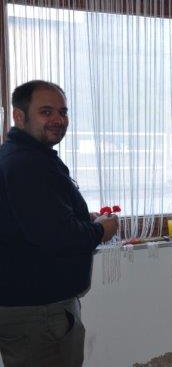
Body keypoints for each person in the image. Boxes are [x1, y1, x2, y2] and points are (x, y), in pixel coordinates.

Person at [0, 80, 119, 367]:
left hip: (30, 308)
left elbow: (36, 221)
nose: (58, 119)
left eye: (63, 112)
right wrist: (101, 230)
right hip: (39, 313)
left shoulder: (23, 156)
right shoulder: (27, 164)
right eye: (46, 112)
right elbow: (58, 237)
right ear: (19, 116)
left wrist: (83, 219)